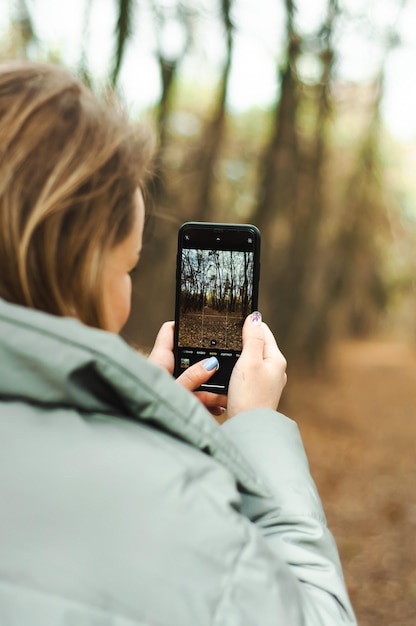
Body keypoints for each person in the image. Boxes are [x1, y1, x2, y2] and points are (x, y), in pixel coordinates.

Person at [0, 60, 357, 626]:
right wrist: (256, 430)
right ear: (74, 268)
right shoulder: (165, 500)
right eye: (128, 268)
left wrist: (141, 419)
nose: (125, 302)